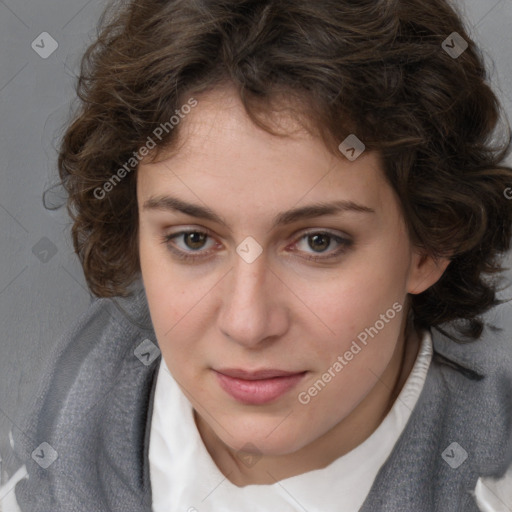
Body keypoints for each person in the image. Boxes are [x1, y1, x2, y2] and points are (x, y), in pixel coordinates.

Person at [3, 0, 512, 510]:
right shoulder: (39, 466)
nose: (248, 324)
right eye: (193, 239)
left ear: (430, 244)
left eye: (319, 241)